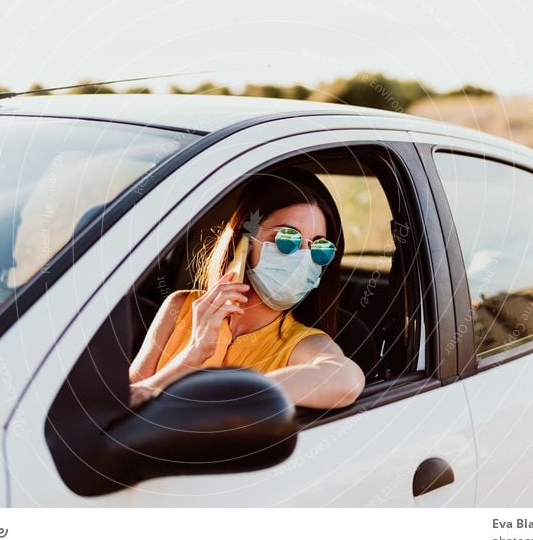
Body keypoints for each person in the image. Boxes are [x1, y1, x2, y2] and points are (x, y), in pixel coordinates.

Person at [128, 167, 365, 410]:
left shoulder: (301, 343)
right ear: (246, 241)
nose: (304, 258)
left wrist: (233, 394)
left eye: (319, 248)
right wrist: (193, 355)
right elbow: (123, 404)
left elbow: (346, 380)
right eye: (287, 239)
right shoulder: (180, 306)